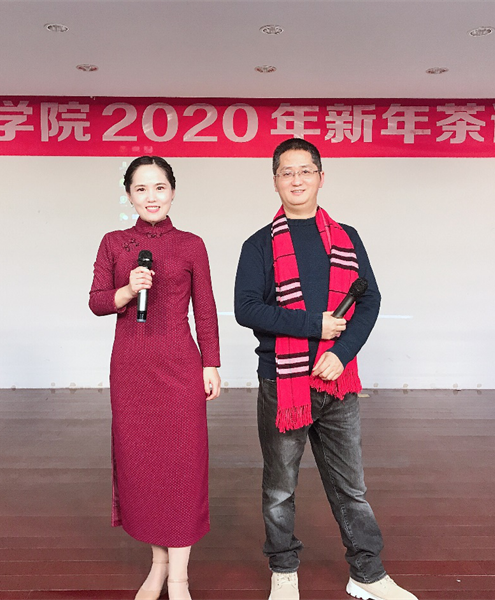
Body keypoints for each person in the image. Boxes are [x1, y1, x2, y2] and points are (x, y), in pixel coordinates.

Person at [234, 139, 417, 600]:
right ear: (275, 181)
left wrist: (343, 352)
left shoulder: (346, 237)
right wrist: (313, 325)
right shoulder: (258, 245)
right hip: (283, 381)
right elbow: (246, 309)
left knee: (351, 486)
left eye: (305, 171)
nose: (296, 180)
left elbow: (369, 300)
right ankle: (283, 570)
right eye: (286, 172)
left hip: (337, 380)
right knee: (280, 488)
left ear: (320, 176)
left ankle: (367, 573)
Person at [89, 156, 221, 600]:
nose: (151, 197)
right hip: (132, 368)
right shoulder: (114, 243)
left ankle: (179, 577)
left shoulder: (191, 244)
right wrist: (128, 290)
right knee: (143, 467)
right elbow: (97, 301)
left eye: (159, 187)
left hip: (180, 366)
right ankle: (158, 564)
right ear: (129, 195)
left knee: (182, 466)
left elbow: (205, 308)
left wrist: (210, 363)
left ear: (173, 192)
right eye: (141, 189)